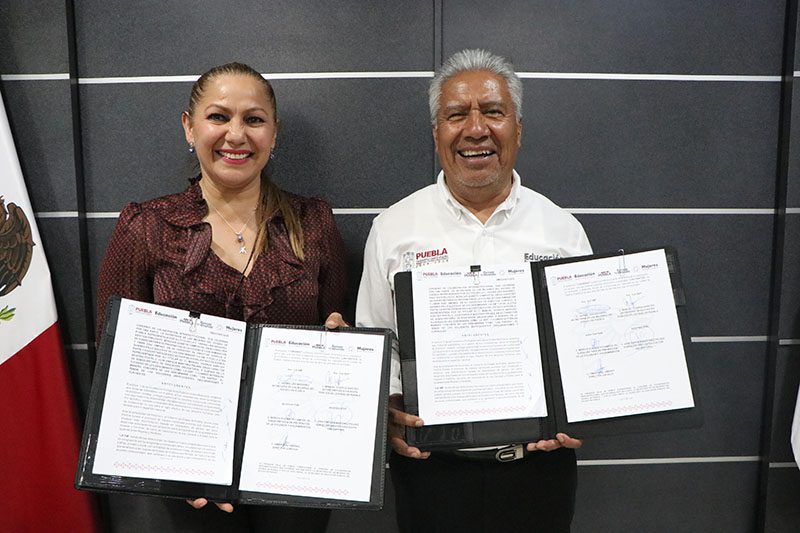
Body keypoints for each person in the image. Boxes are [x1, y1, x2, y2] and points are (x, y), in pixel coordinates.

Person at [95, 62, 346, 532]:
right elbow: (116, 369)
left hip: (294, 470)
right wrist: (169, 456)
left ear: (274, 133)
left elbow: (338, 325)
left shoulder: (314, 223)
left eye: (254, 119)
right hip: (188, 478)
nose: (236, 134)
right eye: (218, 117)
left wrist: (342, 347)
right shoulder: (145, 227)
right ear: (189, 128)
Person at [356, 49, 592, 532]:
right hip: (432, 474)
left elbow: (585, 345)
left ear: (518, 129)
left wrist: (587, 407)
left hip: (539, 471)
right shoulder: (394, 228)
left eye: (493, 112)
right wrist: (392, 406)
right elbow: (378, 338)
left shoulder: (562, 231)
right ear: (436, 133)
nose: (476, 129)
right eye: (456, 115)